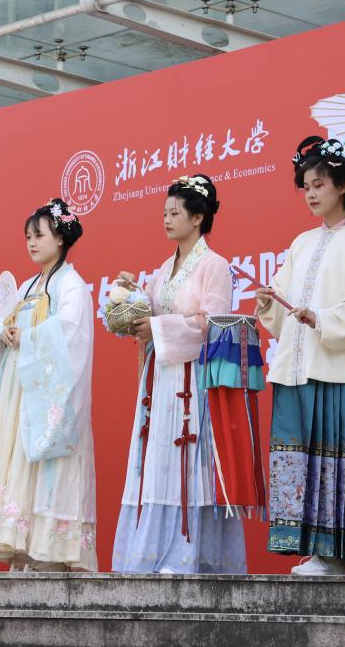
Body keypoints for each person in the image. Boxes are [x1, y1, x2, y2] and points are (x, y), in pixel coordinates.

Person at [257, 137, 345, 576]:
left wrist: (322, 318)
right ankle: (318, 551)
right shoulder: (301, 242)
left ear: (343, 185)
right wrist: (269, 302)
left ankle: (334, 553)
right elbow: (281, 306)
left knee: (332, 459)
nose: (310, 193)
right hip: (296, 368)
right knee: (300, 457)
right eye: (306, 186)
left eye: (319, 184)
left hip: (335, 367)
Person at [111, 174, 246, 574]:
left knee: (189, 462)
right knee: (160, 463)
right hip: (162, 378)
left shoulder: (214, 266)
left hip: (193, 380)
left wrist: (157, 327)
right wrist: (132, 296)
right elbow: (151, 313)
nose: (167, 219)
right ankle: (155, 555)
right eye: (165, 213)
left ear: (197, 218)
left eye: (175, 212)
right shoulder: (162, 270)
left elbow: (211, 325)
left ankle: (187, 556)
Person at [0, 199, 97, 571]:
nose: (32, 243)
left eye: (39, 235)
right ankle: (21, 545)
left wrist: (29, 337)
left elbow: (71, 333)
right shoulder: (27, 286)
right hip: (20, 393)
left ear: (60, 238)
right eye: (28, 237)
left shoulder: (72, 285)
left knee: (50, 466)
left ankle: (50, 548)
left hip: (49, 397)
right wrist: (3, 334)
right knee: (17, 463)